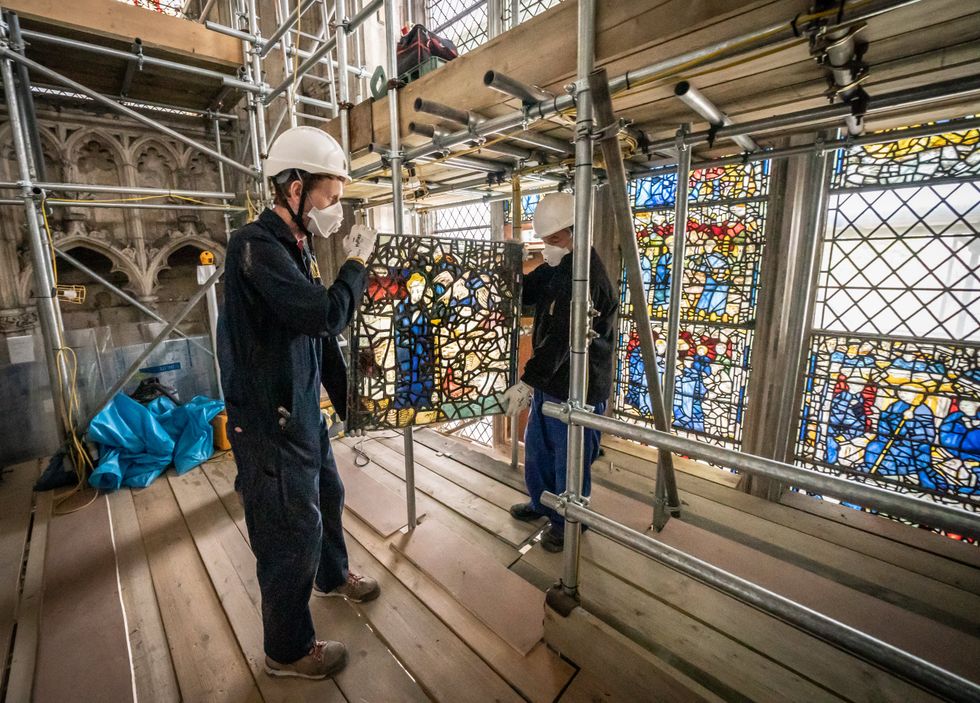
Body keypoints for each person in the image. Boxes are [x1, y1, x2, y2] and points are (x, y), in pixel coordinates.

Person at [217, 126, 380, 681]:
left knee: (328, 494)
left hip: (301, 413)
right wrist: (355, 266)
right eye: (330, 196)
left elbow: (317, 336)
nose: (335, 209)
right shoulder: (254, 248)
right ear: (294, 187)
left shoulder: (294, 248)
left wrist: (347, 400)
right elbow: (323, 315)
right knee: (289, 533)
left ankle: (331, 576)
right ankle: (285, 649)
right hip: (270, 423)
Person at [502, 192, 617, 552]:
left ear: (574, 231)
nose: (547, 246)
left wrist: (526, 382)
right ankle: (543, 503)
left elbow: (562, 339)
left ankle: (568, 522)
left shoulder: (588, 278)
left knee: (571, 460)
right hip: (552, 381)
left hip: (579, 386)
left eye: (554, 239)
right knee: (538, 450)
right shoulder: (561, 264)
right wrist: (505, 271)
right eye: (544, 239)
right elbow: (528, 293)